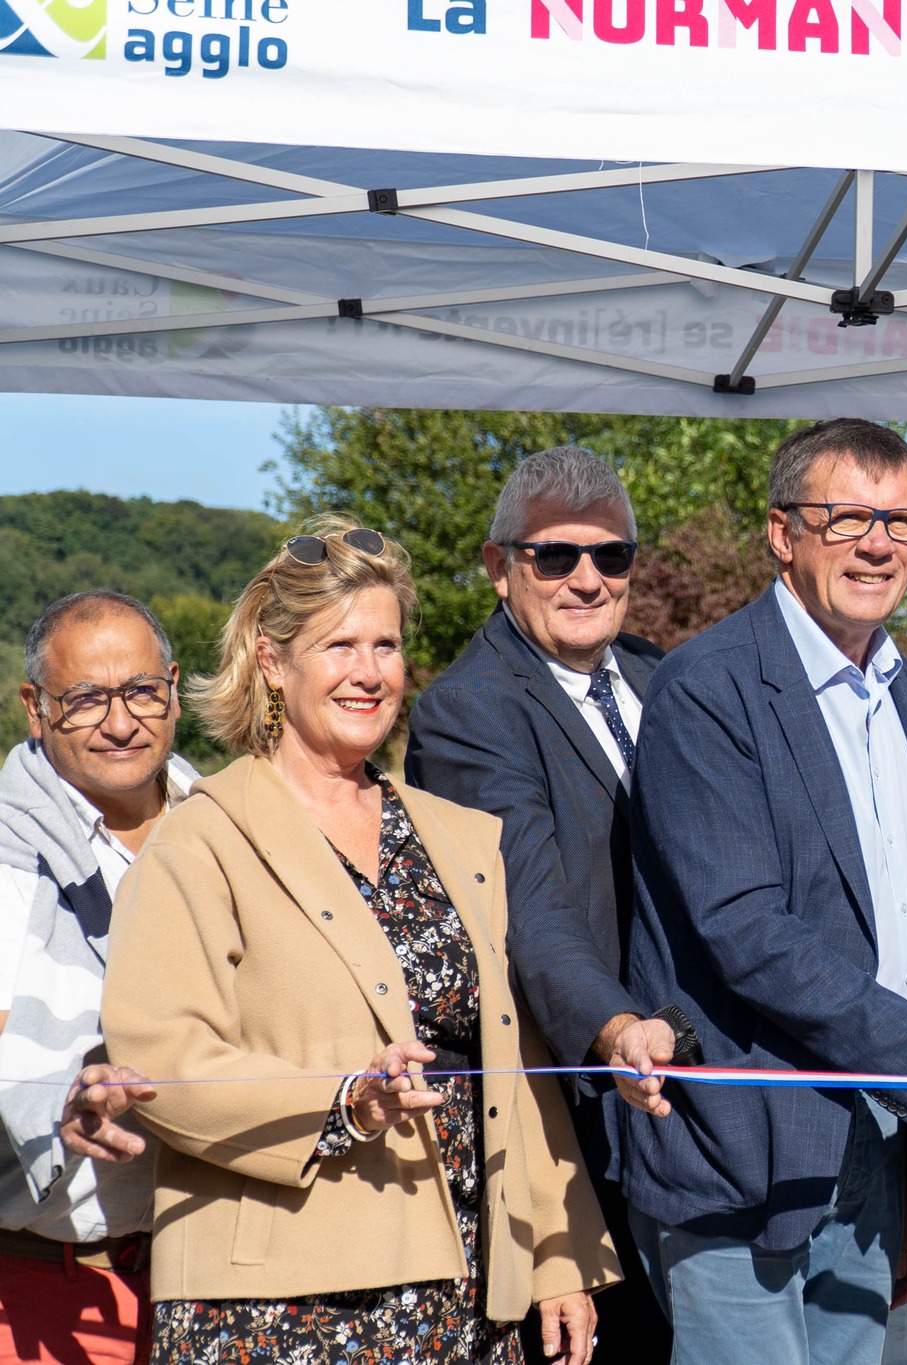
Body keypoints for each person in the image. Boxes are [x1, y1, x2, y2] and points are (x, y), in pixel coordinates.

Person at [98, 518, 620, 1365]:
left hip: (466, 1293)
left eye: (386, 644)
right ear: (273, 660)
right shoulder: (199, 840)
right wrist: (344, 1100)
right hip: (276, 1307)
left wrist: (557, 1246)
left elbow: (511, 1057)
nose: (370, 670)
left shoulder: (462, 838)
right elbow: (162, 1061)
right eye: (340, 644)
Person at [619, 419, 907, 1365]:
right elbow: (744, 930)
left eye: (901, 520)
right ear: (782, 534)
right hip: (743, 1142)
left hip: (872, 1134)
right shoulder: (709, 688)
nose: (878, 543)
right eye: (846, 517)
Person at [406, 447, 670, 1363]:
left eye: (613, 556)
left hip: (689, 1104)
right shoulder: (470, 709)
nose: (587, 579)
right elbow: (530, 904)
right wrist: (613, 1026)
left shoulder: (656, 675)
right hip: (575, 1110)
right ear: (497, 565)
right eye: (554, 557)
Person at [0, 593, 197, 1365]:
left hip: (211, 1282)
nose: (121, 723)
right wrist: (54, 1100)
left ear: (175, 687)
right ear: (36, 709)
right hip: (42, 1295)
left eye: (142, 691)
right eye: (85, 699)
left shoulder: (230, 832)